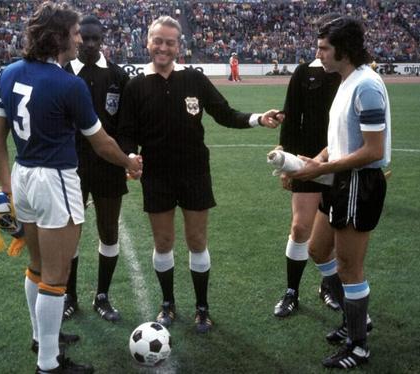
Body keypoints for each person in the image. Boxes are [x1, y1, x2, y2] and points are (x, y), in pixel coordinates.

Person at [0, 2, 141, 373]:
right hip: (55, 180)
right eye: (75, 33)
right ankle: (49, 364)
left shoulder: (9, 74)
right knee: (55, 278)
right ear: (58, 37)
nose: (79, 40)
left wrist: (7, 189)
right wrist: (130, 162)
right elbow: (102, 142)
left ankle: (43, 337)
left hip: (23, 177)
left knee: (37, 268)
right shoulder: (68, 84)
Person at [118, 16, 280, 334]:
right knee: (163, 242)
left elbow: (225, 113)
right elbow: (126, 132)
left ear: (180, 46)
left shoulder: (194, 79)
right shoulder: (135, 86)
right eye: (158, 40)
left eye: (170, 42)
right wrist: (130, 156)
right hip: (157, 176)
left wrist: (260, 118)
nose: (163, 47)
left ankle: (202, 308)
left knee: (196, 240)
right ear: (147, 43)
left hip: (194, 172)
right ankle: (167, 304)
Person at [287, 16, 391, 369]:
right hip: (340, 180)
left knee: (350, 267)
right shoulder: (345, 81)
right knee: (317, 249)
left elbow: (374, 151)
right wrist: (313, 161)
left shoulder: (366, 86)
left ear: (343, 51)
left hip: (359, 184)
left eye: (324, 49)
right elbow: (339, 142)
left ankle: (359, 345)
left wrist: (322, 169)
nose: (317, 55)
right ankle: (353, 316)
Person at [62, 15, 130, 323]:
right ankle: (69, 295)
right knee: (69, 234)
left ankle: (102, 296)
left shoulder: (117, 76)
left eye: (95, 39)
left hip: (108, 167)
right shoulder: (62, 74)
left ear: (102, 40)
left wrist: (128, 156)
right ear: (76, 38)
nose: (89, 44)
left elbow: (128, 124)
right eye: (84, 38)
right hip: (70, 168)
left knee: (109, 231)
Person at [272, 51, 342, 318]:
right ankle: (291, 292)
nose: (321, 51)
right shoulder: (304, 72)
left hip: (340, 161)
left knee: (333, 231)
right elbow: (290, 117)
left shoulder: (348, 73)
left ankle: (327, 285)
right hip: (306, 161)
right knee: (300, 227)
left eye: (326, 45)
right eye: (319, 44)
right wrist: (287, 164)